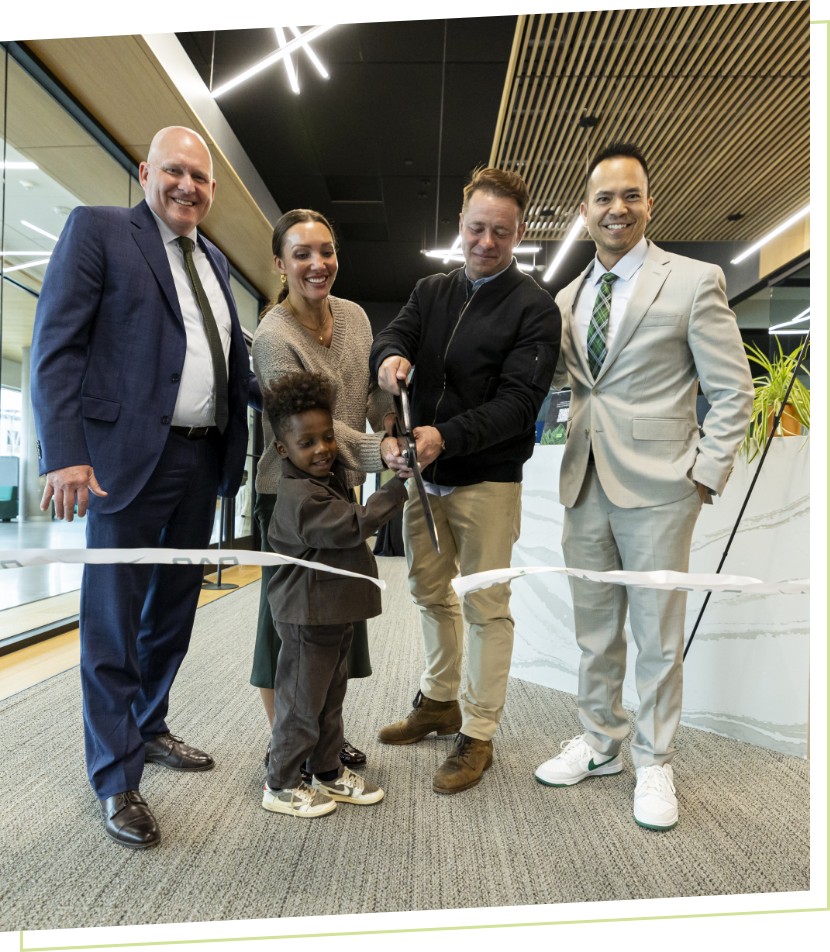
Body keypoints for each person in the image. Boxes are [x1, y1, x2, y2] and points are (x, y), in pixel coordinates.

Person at [30, 126, 261, 850]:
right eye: (175, 172)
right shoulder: (99, 231)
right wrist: (63, 452)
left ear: (212, 190)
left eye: (200, 177)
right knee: (112, 620)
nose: (188, 186)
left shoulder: (217, 261)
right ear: (145, 172)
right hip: (124, 462)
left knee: (172, 615)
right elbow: (56, 345)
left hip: (201, 463)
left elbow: (229, 366)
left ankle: (150, 725)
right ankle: (115, 775)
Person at [534, 142, 753, 831]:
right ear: (584, 210)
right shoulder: (567, 297)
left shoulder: (692, 280)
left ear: (649, 204)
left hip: (662, 487)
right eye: (604, 198)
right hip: (584, 482)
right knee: (596, 631)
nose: (617, 208)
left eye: (630, 196)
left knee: (657, 634)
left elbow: (733, 389)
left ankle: (655, 760)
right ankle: (601, 743)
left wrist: (704, 476)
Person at [371, 166, 560, 795]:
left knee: (485, 607)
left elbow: (517, 405)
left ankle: (477, 731)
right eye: (477, 228)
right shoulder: (432, 290)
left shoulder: (535, 308)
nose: (486, 242)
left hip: (486, 482)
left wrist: (443, 437)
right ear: (460, 225)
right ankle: (438, 700)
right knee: (429, 593)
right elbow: (397, 333)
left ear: (519, 232)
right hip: (426, 482)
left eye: (500, 233)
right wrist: (389, 358)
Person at [251, 209, 398, 777]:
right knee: (288, 628)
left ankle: (321, 740)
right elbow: (315, 427)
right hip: (288, 496)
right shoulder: (273, 335)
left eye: (326, 251)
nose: (318, 264)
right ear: (281, 265)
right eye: (302, 254)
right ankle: (285, 744)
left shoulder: (356, 317)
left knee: (334, 627)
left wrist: (392, 425)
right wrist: (377, 453)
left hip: (344, 492)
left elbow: (368, 396)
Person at [261, 371, 411, 817]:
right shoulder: (300, 497)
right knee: (301, 705)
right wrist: (398, 484)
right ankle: (282, 784)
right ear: (282, 450)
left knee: (329, 700)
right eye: (307, 443)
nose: (323, 448)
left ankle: (326, 769)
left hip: (331, 612)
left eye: (328, 438)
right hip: (308, 617)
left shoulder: (323, 479)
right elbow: (352, 524)